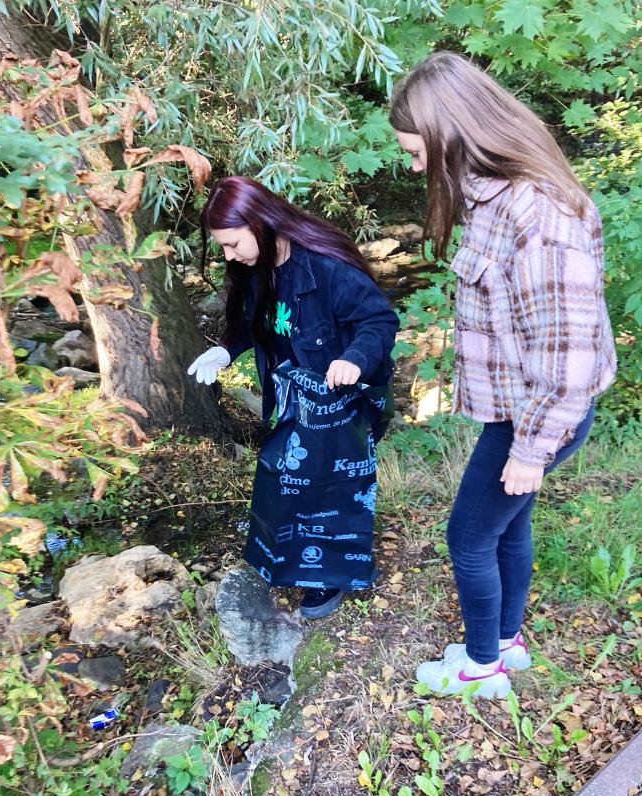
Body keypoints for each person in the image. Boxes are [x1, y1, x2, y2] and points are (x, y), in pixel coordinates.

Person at [389, 52, 616, 697]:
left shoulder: (538, 218)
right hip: (518, 410)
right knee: (507, 524)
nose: (414, 168)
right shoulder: (492, 198)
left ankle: (480, 667)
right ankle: (508, 642)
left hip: (536, 418)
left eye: (417, 153)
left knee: (467, 538)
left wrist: (530, 450)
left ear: (454, 135)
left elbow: (569, 359)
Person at [188, 175, 400, 618]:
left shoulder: (325, 267)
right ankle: (302, 558)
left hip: (341, 398)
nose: (229, 256)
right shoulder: (255, 270)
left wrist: (354, 359)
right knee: (289, 476)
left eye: (232, 244)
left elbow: (378, 321)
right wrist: (225, 350)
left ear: (260, 223)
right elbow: (253, 325)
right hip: (292, 396)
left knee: (331, 487)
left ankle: (331, 576)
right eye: (223, 247)